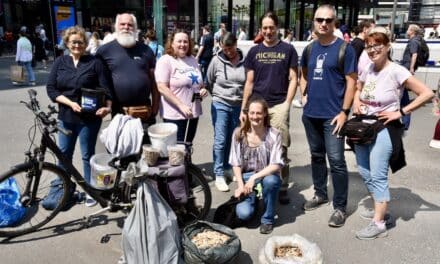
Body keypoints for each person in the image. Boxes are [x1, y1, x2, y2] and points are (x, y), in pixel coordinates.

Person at [352, 26, 433, 239]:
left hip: (384, 129)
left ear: (387, 47)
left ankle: (379, 223)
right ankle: (382, 208)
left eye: (377, 45)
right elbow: (358, 88)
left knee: (378, 175)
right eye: (369, 46)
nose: (372, 50)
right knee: (363, 170)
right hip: (363, 127)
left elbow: (426, 93)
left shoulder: (396, 70)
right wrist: (356, 101)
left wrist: (401, 112)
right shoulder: (368, 68)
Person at [299, 4, 357, 227]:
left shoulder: (345, 48)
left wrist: (344, 112)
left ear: (336, 23)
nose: (323, 23)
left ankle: (340, 207)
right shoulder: (310, 49)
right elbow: (304, 73)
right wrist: (304, 94)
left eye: (328, 20)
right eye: (319, 19)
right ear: (314, 22)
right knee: (316, 156)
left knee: (337, 161)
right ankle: (321, 193)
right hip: (311, 114)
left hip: (333, 117)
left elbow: (352, 82)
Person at [46, 26, 112, 207]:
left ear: (85, 44)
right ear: (67, 43)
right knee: (64, 155)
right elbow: (51, 89)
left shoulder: (95, 62)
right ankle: (62, 189)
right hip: (66, 117)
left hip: (89, 119)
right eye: (73, 42)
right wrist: (69, 103)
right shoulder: (60, 62)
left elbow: (106, 88)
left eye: (81, 42)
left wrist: (107, 107)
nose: (77, 45)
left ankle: (90, 190)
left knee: (87, 155)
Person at [240, 11, 298, 205]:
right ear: (260, 29)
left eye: (271, 27)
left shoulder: (288, 49)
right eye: (264, 28)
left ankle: (281, 187)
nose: (268, 31)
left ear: (277, 28)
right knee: (255, 147)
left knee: (280, 149)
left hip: (278, 106)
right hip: (256, 107)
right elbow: (249, 82)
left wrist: (287, 104)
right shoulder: (254, 52)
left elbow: (294, 78)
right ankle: (258, 186)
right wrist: (244, 108)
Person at [96, 13, 159, 144]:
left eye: (130, 25)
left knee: (147, 151)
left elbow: (154, 81)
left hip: (145, 112)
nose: (126, 27)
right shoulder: (104, 51)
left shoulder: (146, 50)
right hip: (119, 112)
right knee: (122, 151)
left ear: (135, 28)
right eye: (122, 24)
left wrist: (156, 106)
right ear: (116, 27)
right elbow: (100, 82)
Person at [230, 96, 283, 234]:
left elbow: (276, 164)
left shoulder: (274, 134)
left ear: (265, 113)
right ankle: (254, 200)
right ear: (247, 114)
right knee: (244, 214)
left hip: (266, 174)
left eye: (259, 113)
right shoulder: (239, 134)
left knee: (271, 182)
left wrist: (255, 178)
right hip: (247, 176)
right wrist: (241, 185)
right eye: (252, 113)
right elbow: (235, 163)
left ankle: (267, 218)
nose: (255, 117)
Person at [206, 32, 245, 192]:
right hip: (220, 103)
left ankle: (229, 168)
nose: (228, 52)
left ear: (236, 44)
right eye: (224, 49)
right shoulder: (216, 60)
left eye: (230, 48)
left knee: (234, 138)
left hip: (238, 105)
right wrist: (218, 96)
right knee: (221, 140)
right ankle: (219, 173)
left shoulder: (245, 60)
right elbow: (208, 81)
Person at [155, 30, 208, 143]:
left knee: (188, 144)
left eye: (186, 42)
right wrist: (181, 105)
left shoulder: (192, 59)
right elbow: (162, 87)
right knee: (177, 149)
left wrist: (203, 90)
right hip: (175, 114)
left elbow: (199, 84)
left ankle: (187, 161)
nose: (183, 45)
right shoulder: (166, 60)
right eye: (179, 41)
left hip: (193, 112)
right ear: (172, 43)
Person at [400, 24, 424, 132]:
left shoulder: (414, 41)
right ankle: (404, 122)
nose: (407, 31)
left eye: (408, 29)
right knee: (403, 96)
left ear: (412, 31)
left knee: (403, 98)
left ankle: (405, 123)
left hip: (405, 69)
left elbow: (414, 55)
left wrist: (411, 68)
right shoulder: (415, 40)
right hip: (405, 68)